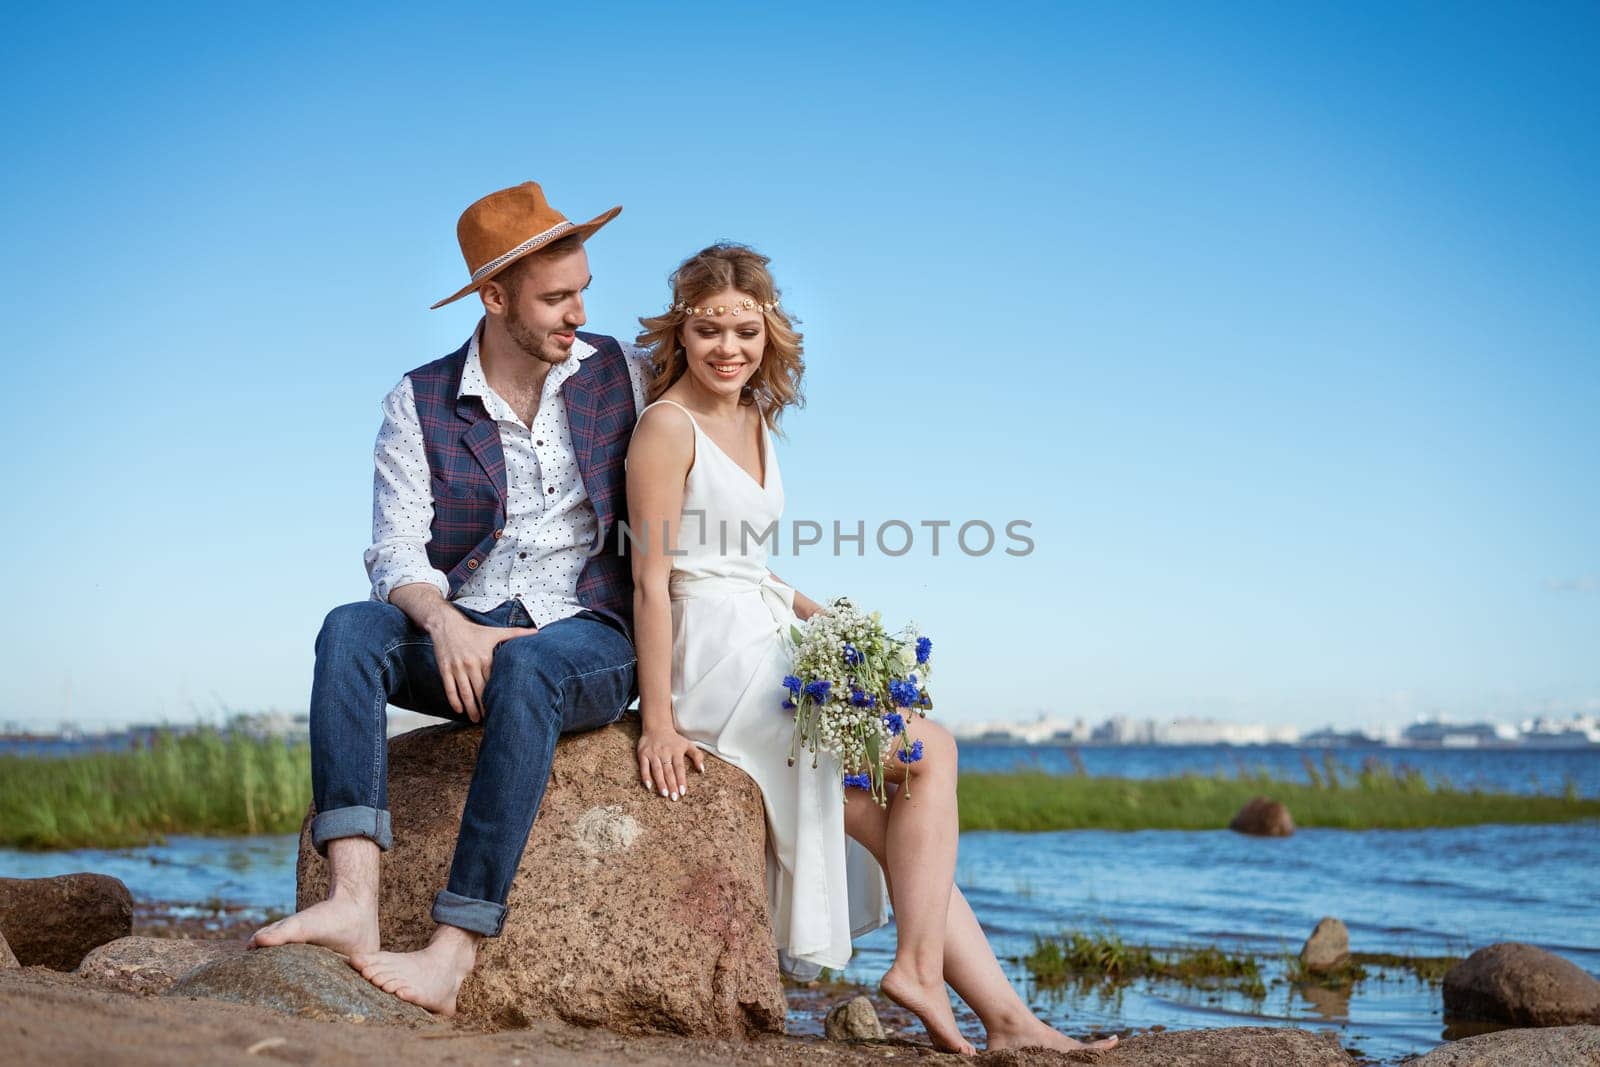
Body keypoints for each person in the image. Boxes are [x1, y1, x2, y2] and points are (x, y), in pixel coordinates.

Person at [624, 243, 1119, 1055]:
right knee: (932, 748)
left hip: (767, 629)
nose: (729, 349)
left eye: (746, 331)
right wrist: (660, 723)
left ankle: (1007, 1021)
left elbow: (743, 557)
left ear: (769, 332)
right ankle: (920, 972)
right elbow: (653, 581)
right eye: (709, 329)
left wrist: (827, 620)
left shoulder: (751, 414)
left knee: (902, 831)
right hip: (715, 659)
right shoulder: (665, 429)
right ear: (681, 330)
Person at [249, 181, 650, 1016]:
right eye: (555, 298)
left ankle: (453, 947)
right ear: (494, 297)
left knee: (530, 671)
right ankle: (353, 897)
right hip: (461, 628)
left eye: (583, 291)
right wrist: (447, 622)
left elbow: (726, 391)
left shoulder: (621, 371)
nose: (577, 312)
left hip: (588, 632)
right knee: (350, 630)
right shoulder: (418, 399)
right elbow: (394, 547)